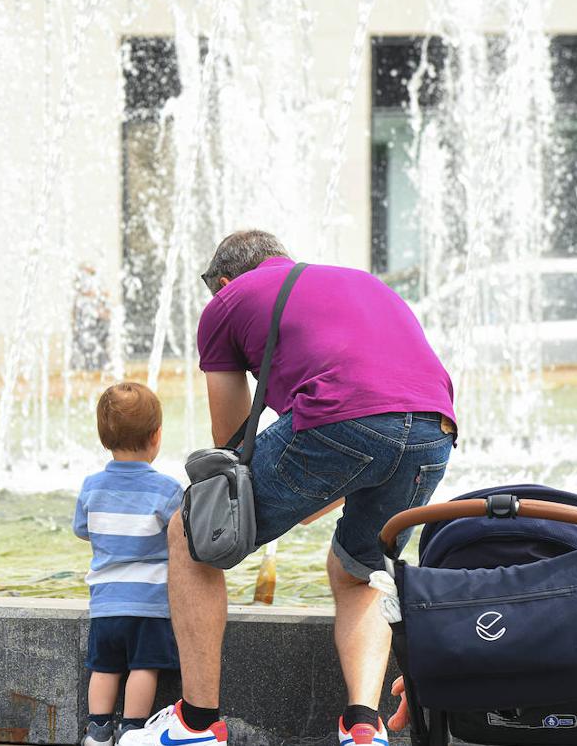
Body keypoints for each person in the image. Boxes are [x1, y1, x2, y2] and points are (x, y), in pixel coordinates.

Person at [123, 230, 457, 746]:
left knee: (192, 535)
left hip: (342, 417)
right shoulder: (358, 281)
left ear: (226, 281)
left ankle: (194, 723)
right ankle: (363, 728)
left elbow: (231, 442)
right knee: (358, 570)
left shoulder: (228, 302)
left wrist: (298, 484)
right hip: (435, 428)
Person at [74, 382, 183, 746]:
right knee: (142, 667)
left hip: (105, 602)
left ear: (104, 437)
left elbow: (82, 530)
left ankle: (98, 730)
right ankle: (134, 728)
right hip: (149, 602)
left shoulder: (92, 487)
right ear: (156, 436)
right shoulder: (168, 490)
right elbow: (180, 538)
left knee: (103, 668)